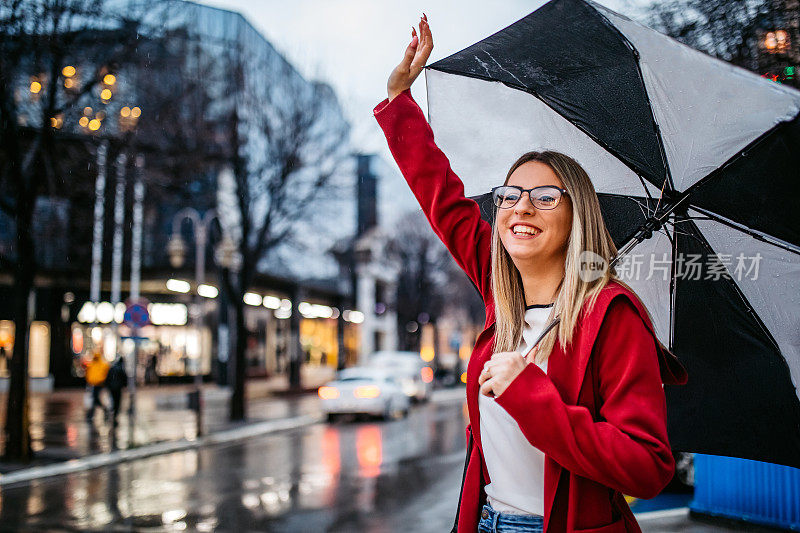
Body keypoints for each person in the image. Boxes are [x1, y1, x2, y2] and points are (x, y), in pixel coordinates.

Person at [374, 14, 689, 533]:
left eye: (545, 198)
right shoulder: (501, 292)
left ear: (577, 216)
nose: (521, 208)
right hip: (485, 520)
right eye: (509, 196)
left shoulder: (611, 316)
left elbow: (647, 465)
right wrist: (399, 102)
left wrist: (531, 393)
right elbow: (444, 201)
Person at [85, 351, 110, 421]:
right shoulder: (93, 364)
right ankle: (92, 413)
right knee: (94, 398)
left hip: (98, 384)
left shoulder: (101, 364)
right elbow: (89, 373)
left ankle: (92, 413)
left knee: (95, 398)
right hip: (93, 384)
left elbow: (105, 373)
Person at [105, 356, 128, 425]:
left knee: (113, 401)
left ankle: (111, 413)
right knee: (117, 402)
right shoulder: (121, 369)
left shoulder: (112, 368)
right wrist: (124, 386)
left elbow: (107, 378)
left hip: (112, 388)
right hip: (118, 388)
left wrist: (108, 386)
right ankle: (114, 414)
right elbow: (124, 379)